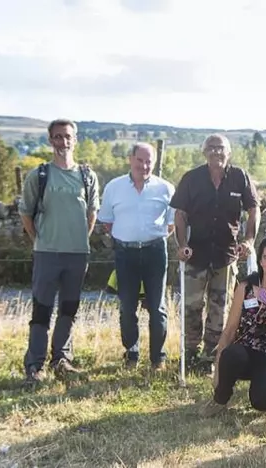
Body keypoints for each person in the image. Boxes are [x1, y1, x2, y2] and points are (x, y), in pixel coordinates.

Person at [18, 118, 100, 386]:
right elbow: (26, 214)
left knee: (69, 309)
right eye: (57, 137)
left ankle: (62, 360)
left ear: (75, 139)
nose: (63, 142)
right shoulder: (38, 175)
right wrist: (40, 241)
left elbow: (91, 215)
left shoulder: (87, 176)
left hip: (77, 255)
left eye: (67, 136)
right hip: (47, 254)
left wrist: (77, 242)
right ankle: (35, 365)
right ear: (50, 140)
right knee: (41, 310)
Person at [170, 133, 260, 373]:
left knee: (219, 309)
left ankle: (210, 356)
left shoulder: (240, 177)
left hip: (225, 254)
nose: (216, 152)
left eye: (220, 148)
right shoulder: (191, 178)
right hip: (196, 253)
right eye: (211, 148)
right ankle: (189, 353)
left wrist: (249, 240)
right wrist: (181, 244)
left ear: (228, 152)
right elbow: (180, 214)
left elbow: (253, 209)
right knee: (191, 306)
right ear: (204, 152)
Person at [200, 236, 266, 415]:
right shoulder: (245, 287)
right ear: (260, 261)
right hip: (244, 353)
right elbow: (229, 330)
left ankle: (263, 385)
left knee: (263, 401)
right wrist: (218, 368)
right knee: (231, 354)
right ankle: (220, 399)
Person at [97, 143, 175, 371]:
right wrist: (128, 237)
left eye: (149, 161)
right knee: (127, 305)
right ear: (130, 159)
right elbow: (107, 222)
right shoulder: (114, 187)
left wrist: (148, 237)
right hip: (125, 253)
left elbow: (171, 224)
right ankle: (131, 353)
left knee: (157, 305)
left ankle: (157, 358)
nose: (145, 165)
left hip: (155, 251)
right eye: (140, 160)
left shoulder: (166, 188)